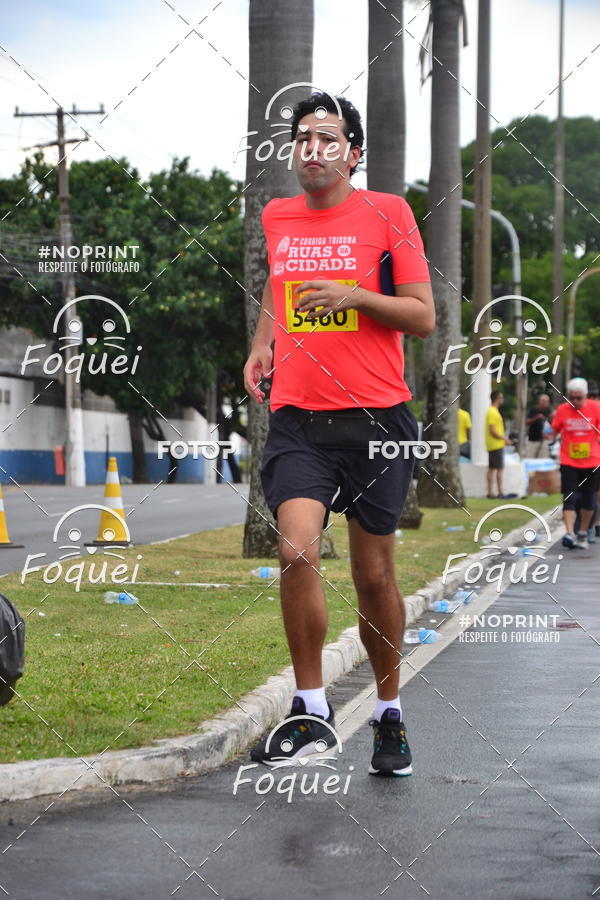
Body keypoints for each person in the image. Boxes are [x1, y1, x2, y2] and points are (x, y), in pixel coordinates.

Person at [243, 92, 434, 776]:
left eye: (328, 139)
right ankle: (312, 708)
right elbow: (277, 282)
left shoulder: (390, 213)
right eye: (302, 138)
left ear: (354, 152)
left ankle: (389, 713)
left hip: (379, 420)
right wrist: (263, 343)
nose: (313, 149)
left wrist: (355, 297)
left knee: (374, 575)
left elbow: (421, 316)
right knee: (296, 551)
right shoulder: (278, 215)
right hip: (299, 418)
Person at [551, 377, 600, 550]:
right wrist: (549, 434)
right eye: (571, 398)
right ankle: (570, 533)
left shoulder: (596, 408)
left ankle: (583, 532)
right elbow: (553, 429)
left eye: (579, 398)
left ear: (586, 395)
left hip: (591, 461)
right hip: (569, 461)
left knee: (589, 499)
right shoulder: (562, 410)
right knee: (569, 498)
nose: (575, 401)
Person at [485, 390, 512, 498]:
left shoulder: (493, 411)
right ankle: (500, 492)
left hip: (493, 444)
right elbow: (492, 430)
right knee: (499, 468)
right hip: (496, 444)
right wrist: (504, 439)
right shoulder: (492, 412)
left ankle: (490, 492)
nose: (502, 400)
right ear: (497, 398)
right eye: (501, 397)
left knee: (492, 468)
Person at [526, 393, 552, 458]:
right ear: (539, 401)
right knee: (530, 459)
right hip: (533, 440)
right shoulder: (534, 410)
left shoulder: (550, 412)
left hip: (544, 441)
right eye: (543, 401)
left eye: (546, 401)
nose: (544, 403)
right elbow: (526, 422)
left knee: (543, 460)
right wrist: (536, 418)